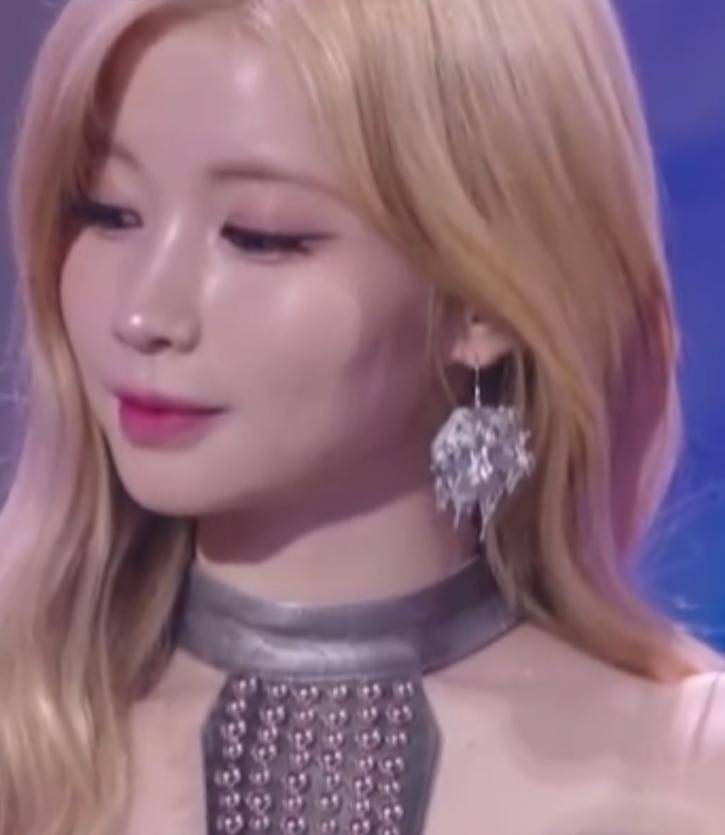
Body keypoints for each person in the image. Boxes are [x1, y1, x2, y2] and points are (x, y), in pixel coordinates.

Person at [1, 0, 723, 832]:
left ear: (480, 302)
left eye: (259, 236)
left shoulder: (689, 777)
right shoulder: (25, 734)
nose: (142, 313)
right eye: (107, 213)